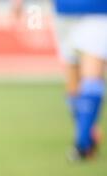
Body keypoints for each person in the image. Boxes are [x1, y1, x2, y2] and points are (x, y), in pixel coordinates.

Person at [12, 0, 106, 160]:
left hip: (95, 11)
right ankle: (88, 132)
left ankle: (82, 144)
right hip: (63, 13)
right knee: (73, 82)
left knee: (91, 73)